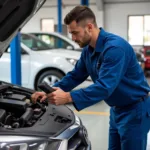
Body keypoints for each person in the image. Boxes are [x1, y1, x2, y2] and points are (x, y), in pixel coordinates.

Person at [31, 5, 150, 150]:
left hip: (135, 110)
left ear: (89, 27)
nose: (73, 38)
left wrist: (68, 97)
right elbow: (75, 75)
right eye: (71, 34)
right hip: (116, 110)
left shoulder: (115, 49)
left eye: (75, 33)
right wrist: (49, 92)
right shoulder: (88, 50)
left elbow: (105, 87)